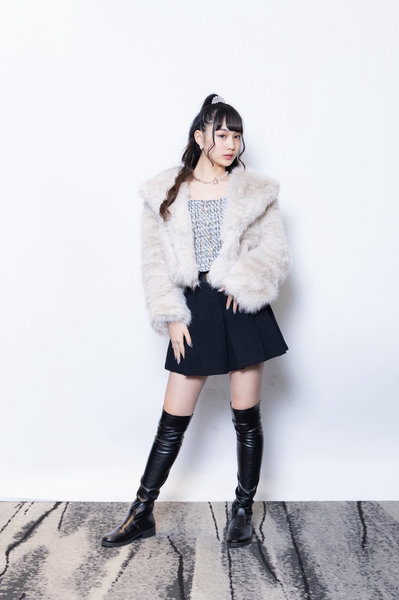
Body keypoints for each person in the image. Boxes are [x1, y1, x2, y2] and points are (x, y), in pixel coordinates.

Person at [101, 93, 292, 549]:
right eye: (222, 134)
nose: (231, 144)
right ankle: (141, 512)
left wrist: (244, 282)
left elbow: (276, 251)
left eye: (237, 135)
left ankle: (242, 510)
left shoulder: (256, 191)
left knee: (246, 419)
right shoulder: (164, 191)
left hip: (240, 306)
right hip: (193, 307)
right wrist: (170, 315)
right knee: (172, 421)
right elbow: (153, 263)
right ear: (200, 136)